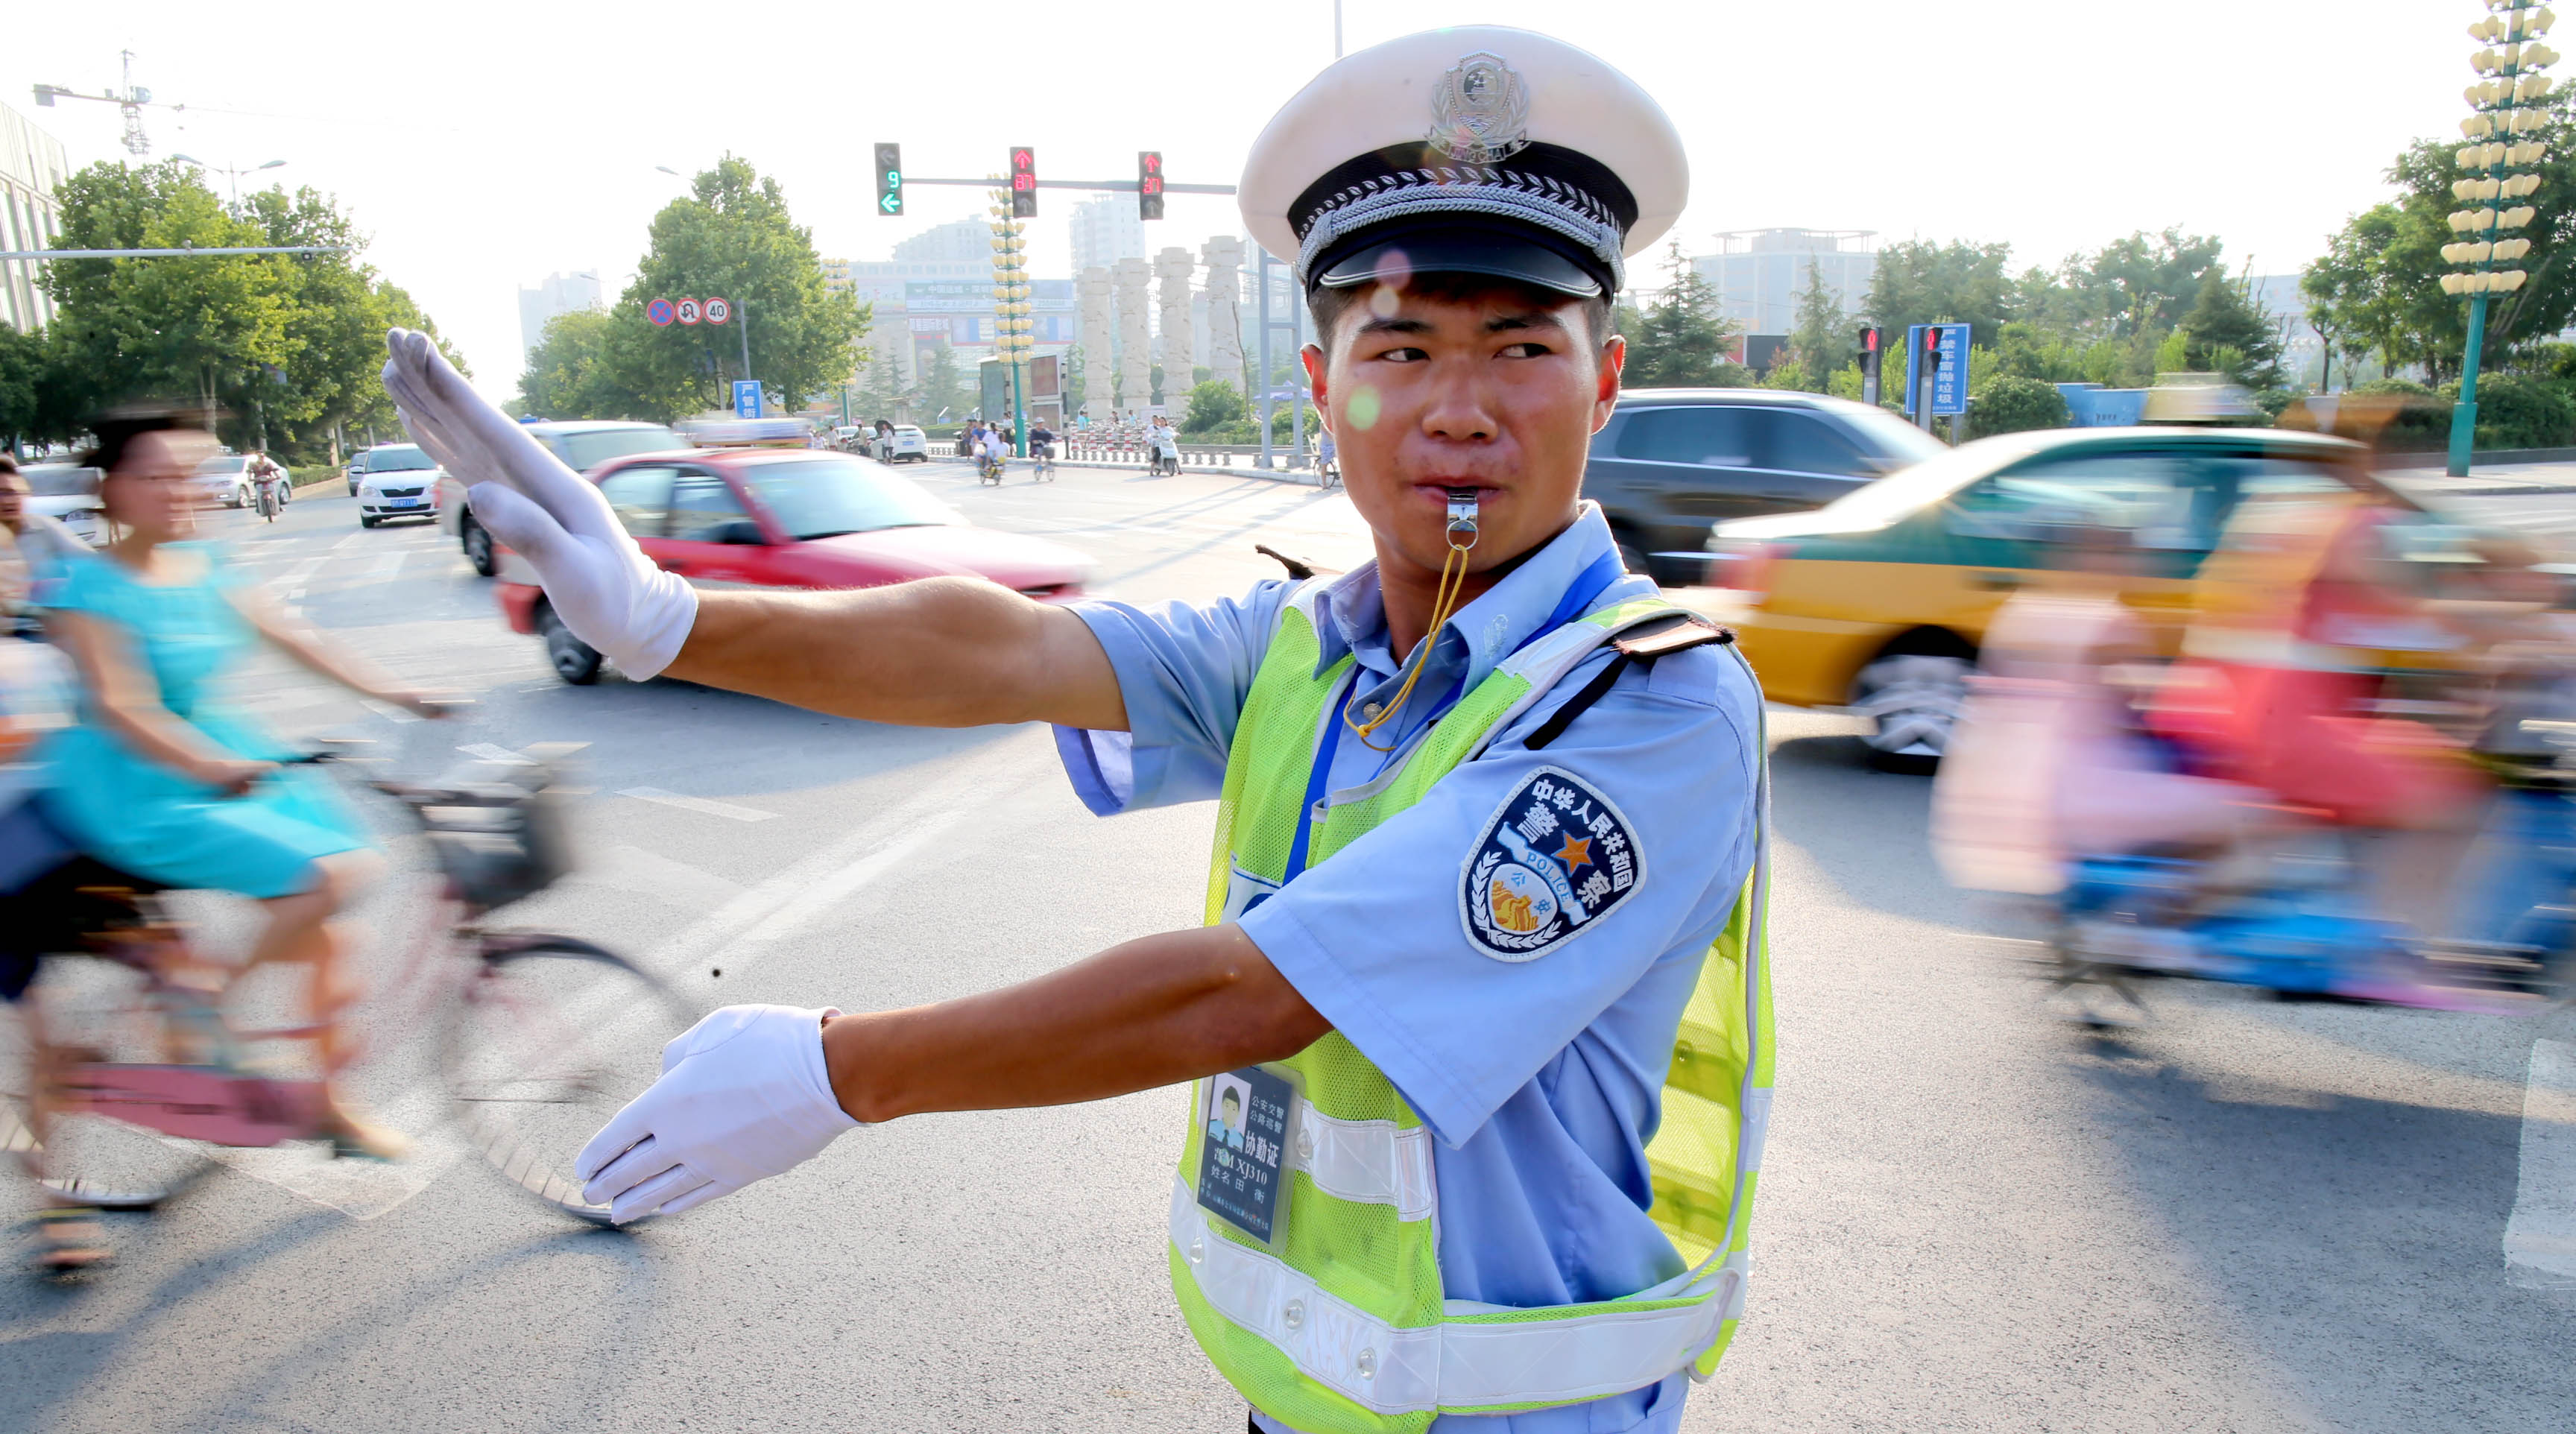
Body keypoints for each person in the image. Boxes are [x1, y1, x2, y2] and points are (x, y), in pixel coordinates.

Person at [385, 27, 1769, 1432]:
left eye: (1521, 347)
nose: (1457, 407)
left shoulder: (1653, 703)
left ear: (1601, 384)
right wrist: (673, 618)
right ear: (1320, 383)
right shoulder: (1314, 643)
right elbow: (1006, 644)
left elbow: (1254, 990)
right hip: (1316, 1393)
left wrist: (840, 1066)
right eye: (1399, 345)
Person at [29, 411, 447, 1166]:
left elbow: (298, 640)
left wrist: (403, 693)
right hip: (132, 781)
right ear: (112, 490)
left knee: (336, 935)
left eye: (185, 474)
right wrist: (205, 766)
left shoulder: (209, 567)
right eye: (154, 477)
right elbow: (123, 705)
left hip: (221, 754)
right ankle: (207, 1001)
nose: (176, 491)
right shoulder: (85, 585)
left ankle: (327, 1102)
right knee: (332, 875)